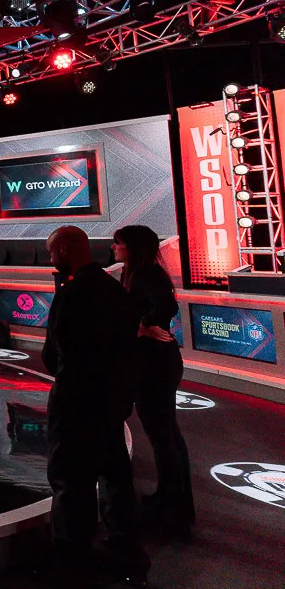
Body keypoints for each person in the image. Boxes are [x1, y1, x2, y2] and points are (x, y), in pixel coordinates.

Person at [42, 225, 148, 586]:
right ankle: (126, 555)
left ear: (65, 250)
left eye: (52, 252)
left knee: (71, 482)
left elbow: (55, 353)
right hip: (112, 401)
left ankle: (72, 561)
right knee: (116, 479)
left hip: (76, 403)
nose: (50, 259)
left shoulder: (71, 293)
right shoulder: (115, 289)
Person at [113, 224, 194, 539]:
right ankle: (174, 502)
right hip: (150, 362)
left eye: (118, 243)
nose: (114, 247)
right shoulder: (133, 273)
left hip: (155, 364)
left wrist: (145, 326)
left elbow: (166, 306)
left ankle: (173, 512)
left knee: (163, 437)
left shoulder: (148, 274)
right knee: (166, 434)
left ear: (132, 247)